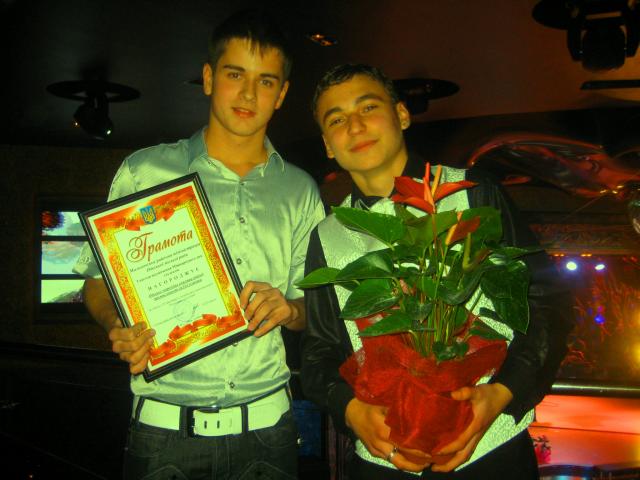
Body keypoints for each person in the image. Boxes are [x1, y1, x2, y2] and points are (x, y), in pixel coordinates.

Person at [74, 10, 324, 480]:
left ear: (281, 94)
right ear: (209, 78)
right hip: (163, 433)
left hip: (268, 432)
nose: (248, 94)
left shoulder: (301, 191)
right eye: (235, 75)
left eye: (266, 81)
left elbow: (316, 308)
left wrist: (290, 309)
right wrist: (117, 324)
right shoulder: (146, 172)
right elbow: (96, 281)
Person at [300, 64, 573, 479]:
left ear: (402, 115)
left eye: (368, 108)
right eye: (336, 119)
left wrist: (503, 393)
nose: (354, 126)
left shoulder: (473, 194)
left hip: (491, 451)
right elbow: (319, 352)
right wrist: (351, 410)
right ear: (327, 145)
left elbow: (547, 303)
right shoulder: (327, 236)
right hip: (384, 461)